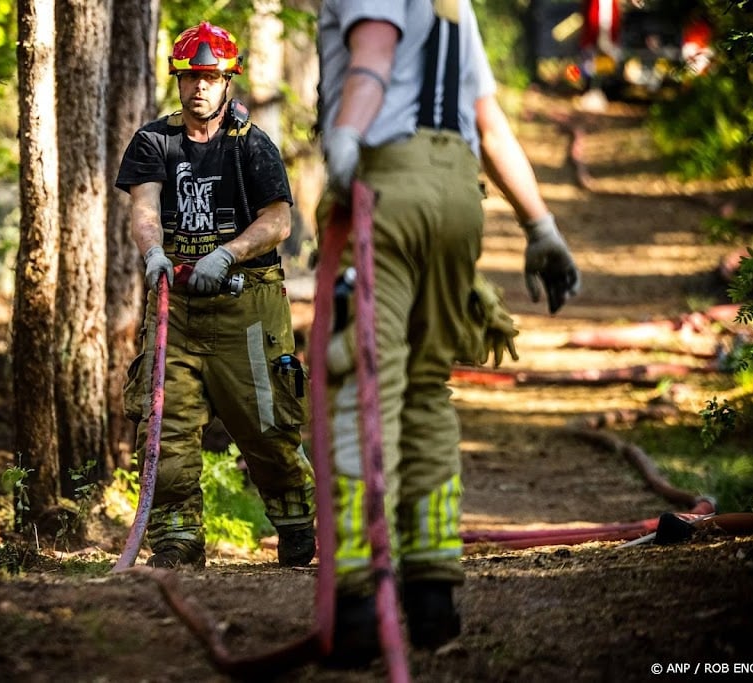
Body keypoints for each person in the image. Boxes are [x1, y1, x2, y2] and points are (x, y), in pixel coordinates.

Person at [315, 0, 581, 667]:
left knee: (366, 381)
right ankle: (432, 595)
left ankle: (358, 599)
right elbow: (487, 121)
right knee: (428, 387)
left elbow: (374, 51)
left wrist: (346, 137)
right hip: (460, 194)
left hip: (388, 184)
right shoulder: (455, 4)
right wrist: (539, 225)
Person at [114, 21, 316, 570]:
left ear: (228, 80)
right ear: (177, 79)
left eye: (210, 77)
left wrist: (227, 254)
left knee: (267, 424)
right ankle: (177, 539)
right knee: (166, 425)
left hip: (248, 309)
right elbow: (144, 209)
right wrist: (154, 253)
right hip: (175, 310)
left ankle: (295, 521)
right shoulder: (154, 141)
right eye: (190, 76)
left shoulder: (252, 144)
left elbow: (277, 221)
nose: (199, 86)